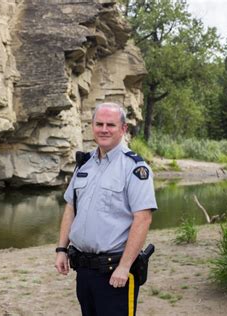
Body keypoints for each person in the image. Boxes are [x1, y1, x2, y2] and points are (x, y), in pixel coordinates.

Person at [54, 102, 157, 316]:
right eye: (99, 123)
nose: (104, 129)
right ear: (91, 127)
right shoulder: (84, 164)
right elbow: (71, 207)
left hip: (115, 271)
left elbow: (143, 219)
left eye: (110, 124)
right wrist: (62, 250)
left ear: (123, 129)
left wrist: (125, 266)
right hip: (83, 269)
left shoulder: (135, 168)